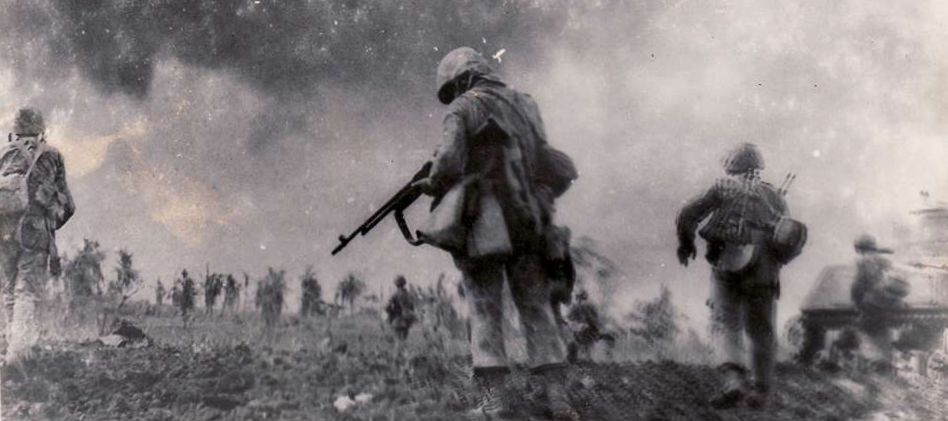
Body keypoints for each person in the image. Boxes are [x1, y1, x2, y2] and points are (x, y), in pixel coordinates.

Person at [415, 47, 579, 419]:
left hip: (484, 222)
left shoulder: (462, 108)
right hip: (529, 219)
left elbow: (449, 162)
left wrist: (431, 182)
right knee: (536, 306)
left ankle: (496, 403)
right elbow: (543, 157)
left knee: (484, 307)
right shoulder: (526, 104)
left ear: (460, 79)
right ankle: (558, 400)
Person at [676, 143, 787, 409]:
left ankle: (734, 380)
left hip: (728, 261)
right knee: (761, 328)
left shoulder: (722, 187)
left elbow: (687, 214)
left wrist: (686, 243)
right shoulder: (774, 195)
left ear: (730, 165)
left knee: (725, 321)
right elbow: (786, 234)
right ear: (758, 167)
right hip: (765, 268)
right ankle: (760, 390)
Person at [0, 108, 74, 363]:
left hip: (4, 231)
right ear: (41, 131)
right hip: (36, 231)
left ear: (15, 130)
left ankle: (13, 347)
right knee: (26, 292)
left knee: (8, 290)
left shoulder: (3, 153)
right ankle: (19, 352)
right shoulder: (52, 156)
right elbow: (69, 207)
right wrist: (48, 223)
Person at [566, 290, 616, 363]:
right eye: (578, 298)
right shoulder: (581, 306)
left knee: (586, 344)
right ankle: (583, 358)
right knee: (585, 344)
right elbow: (570, 317)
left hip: (586, 329)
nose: (579, 300)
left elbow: (593, 318)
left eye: (579, 298)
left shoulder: (584, 306)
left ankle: (586, 358)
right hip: (584, 329)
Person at [385, 275, 416, 342]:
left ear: (396, 284)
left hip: (397, 320)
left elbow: (387, 307)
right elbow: (412, 307)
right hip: (407, 321)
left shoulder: (395, 294)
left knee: (397, 341)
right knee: (403, 341)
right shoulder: (409, 294)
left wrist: (391, 312)